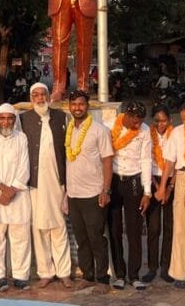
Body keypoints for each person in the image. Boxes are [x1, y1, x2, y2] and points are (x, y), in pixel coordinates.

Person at [19, 82, 73, 289]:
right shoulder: (23, 119)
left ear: (49, 97)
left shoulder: (61, 117)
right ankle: (45, 272)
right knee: (39, 228)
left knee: (59, 226)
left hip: (57, 181)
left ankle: (64, 272)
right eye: (36, 95)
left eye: (43, 94)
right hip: (34, 183)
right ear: (31, 98)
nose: (40, 98)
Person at [63, 90, 114, 293]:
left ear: (87, 106)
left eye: (81, 104)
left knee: (96, 238)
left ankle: (103, 279)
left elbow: (107, 161)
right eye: (74, 104)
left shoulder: (99, 130)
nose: (77, 108)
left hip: (93, 193)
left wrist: (106, 190)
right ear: (69, 106)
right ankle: (88, 275)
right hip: (73, 194)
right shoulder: (69, 129)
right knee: (81, 239)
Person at [0, 104, 34, 291]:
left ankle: (20, 276)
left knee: (21, 237)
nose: (6, 122)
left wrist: (11, 191)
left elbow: (24, 167)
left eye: (9, 118)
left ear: (14, 119)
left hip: (17, 195)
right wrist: (3, 189)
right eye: (2, 118)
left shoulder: (21, 138)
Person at [155, 101, 185, 288]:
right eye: (183, 119)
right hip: (183, 177)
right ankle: (179, 272)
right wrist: (162, 187)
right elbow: (169, 162)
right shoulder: (177, 132)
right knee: (181, 228)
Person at [106, 101, 153, 290]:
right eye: (135, 120)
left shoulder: (144, 130)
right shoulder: (109, 126)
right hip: (114, 180)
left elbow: (146, 159)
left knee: (134, 229)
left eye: (140, 120)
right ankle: (119, 274)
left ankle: (134, 275)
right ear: (126, 114)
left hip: (134, 180)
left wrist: (147, 192)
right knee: (115, 228)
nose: (137, 124)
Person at [143, 105, 175, 283]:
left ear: (170, 120)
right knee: (153, 228)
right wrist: (156, 186)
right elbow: (144, 160)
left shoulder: (176, 135)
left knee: (170, 227)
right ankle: (152, 267)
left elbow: (180, 162)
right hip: (153, 179)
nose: (160, 124)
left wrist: (168, 188)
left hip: (172, 181)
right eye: (157, 121)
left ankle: (166, 267)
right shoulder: (147, 134)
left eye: (163, 120)